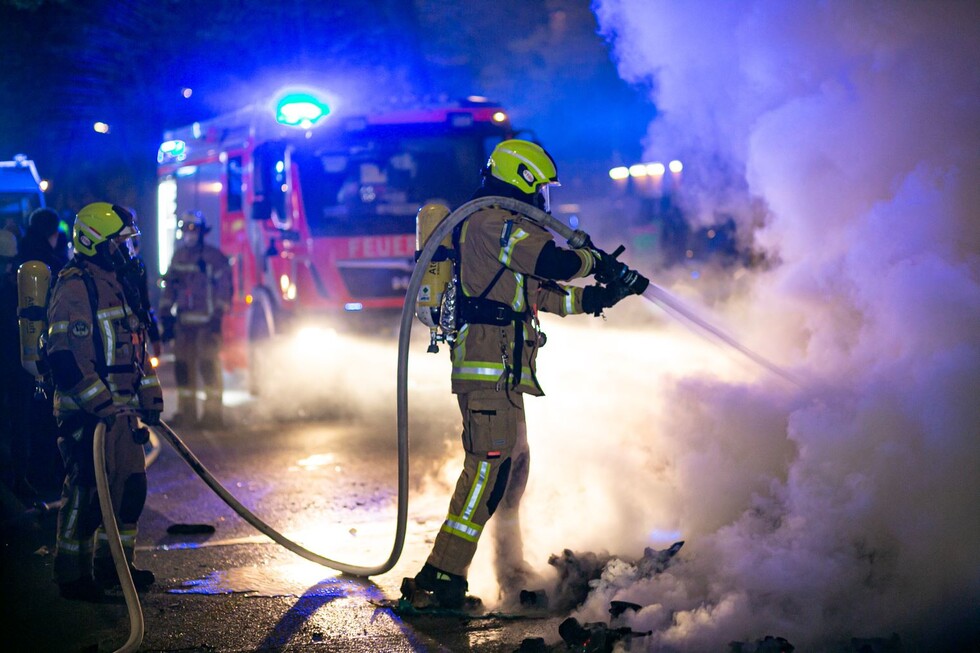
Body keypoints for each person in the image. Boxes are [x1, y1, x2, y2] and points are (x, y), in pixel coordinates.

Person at [404, 139, 638, 609]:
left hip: (505, 374)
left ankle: (508, 568)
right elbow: (553, 262)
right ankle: (441, 576)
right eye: (541, 189)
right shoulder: (491, 222)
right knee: (487, 473)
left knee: (511, 473)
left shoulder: (502, 226)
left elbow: (539, 293)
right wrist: (594, 260)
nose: (543, 201)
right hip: (487, 370)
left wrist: (599, 297)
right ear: (522, 180)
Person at [46, 202, 163, 601]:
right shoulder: (76, 287)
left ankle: (115, 568)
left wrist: (150, 394)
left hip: (123, 414)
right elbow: (66, 357)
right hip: (89, 415)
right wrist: (101, 406)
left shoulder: (118, 283)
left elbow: (134, 347)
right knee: (88, 494)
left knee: (130, 489)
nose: (128, 252)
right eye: (121, 244)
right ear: (96, 242)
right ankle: (72, 574)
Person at [159, 211, 232, 428]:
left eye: (194, 229)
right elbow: (170, 288)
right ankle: (187, 413)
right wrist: (166, 317)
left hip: (207, 325)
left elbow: (225, 289)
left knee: (209, 369)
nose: (189, 234)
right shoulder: (178, 257)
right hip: (184, 325)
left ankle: (212, 416)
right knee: (182, 370)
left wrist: (218, 316)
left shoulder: (214, 257)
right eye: (186, 229)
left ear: (202, 232)